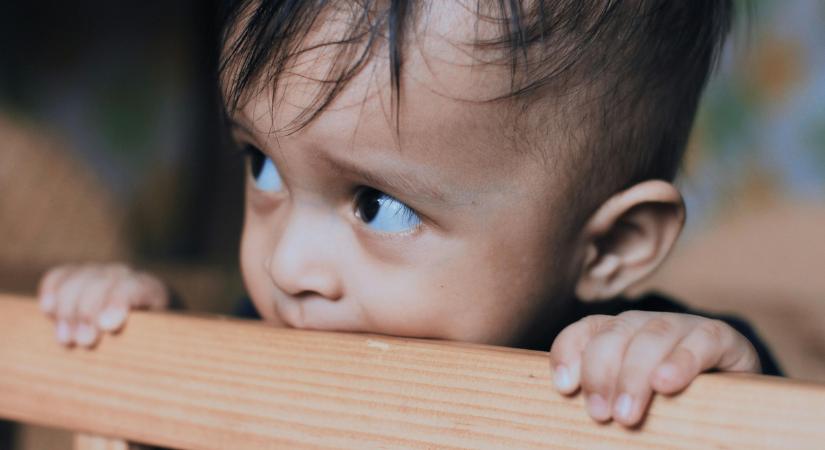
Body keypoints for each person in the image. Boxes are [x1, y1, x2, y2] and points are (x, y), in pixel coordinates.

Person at [37, 0, 781, 428]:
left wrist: (704, 382)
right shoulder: (273, 335)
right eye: (260, 165)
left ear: (609, 248)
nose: (286, 263)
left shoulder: (629, 374)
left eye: (378, 205)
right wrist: (144, 337)